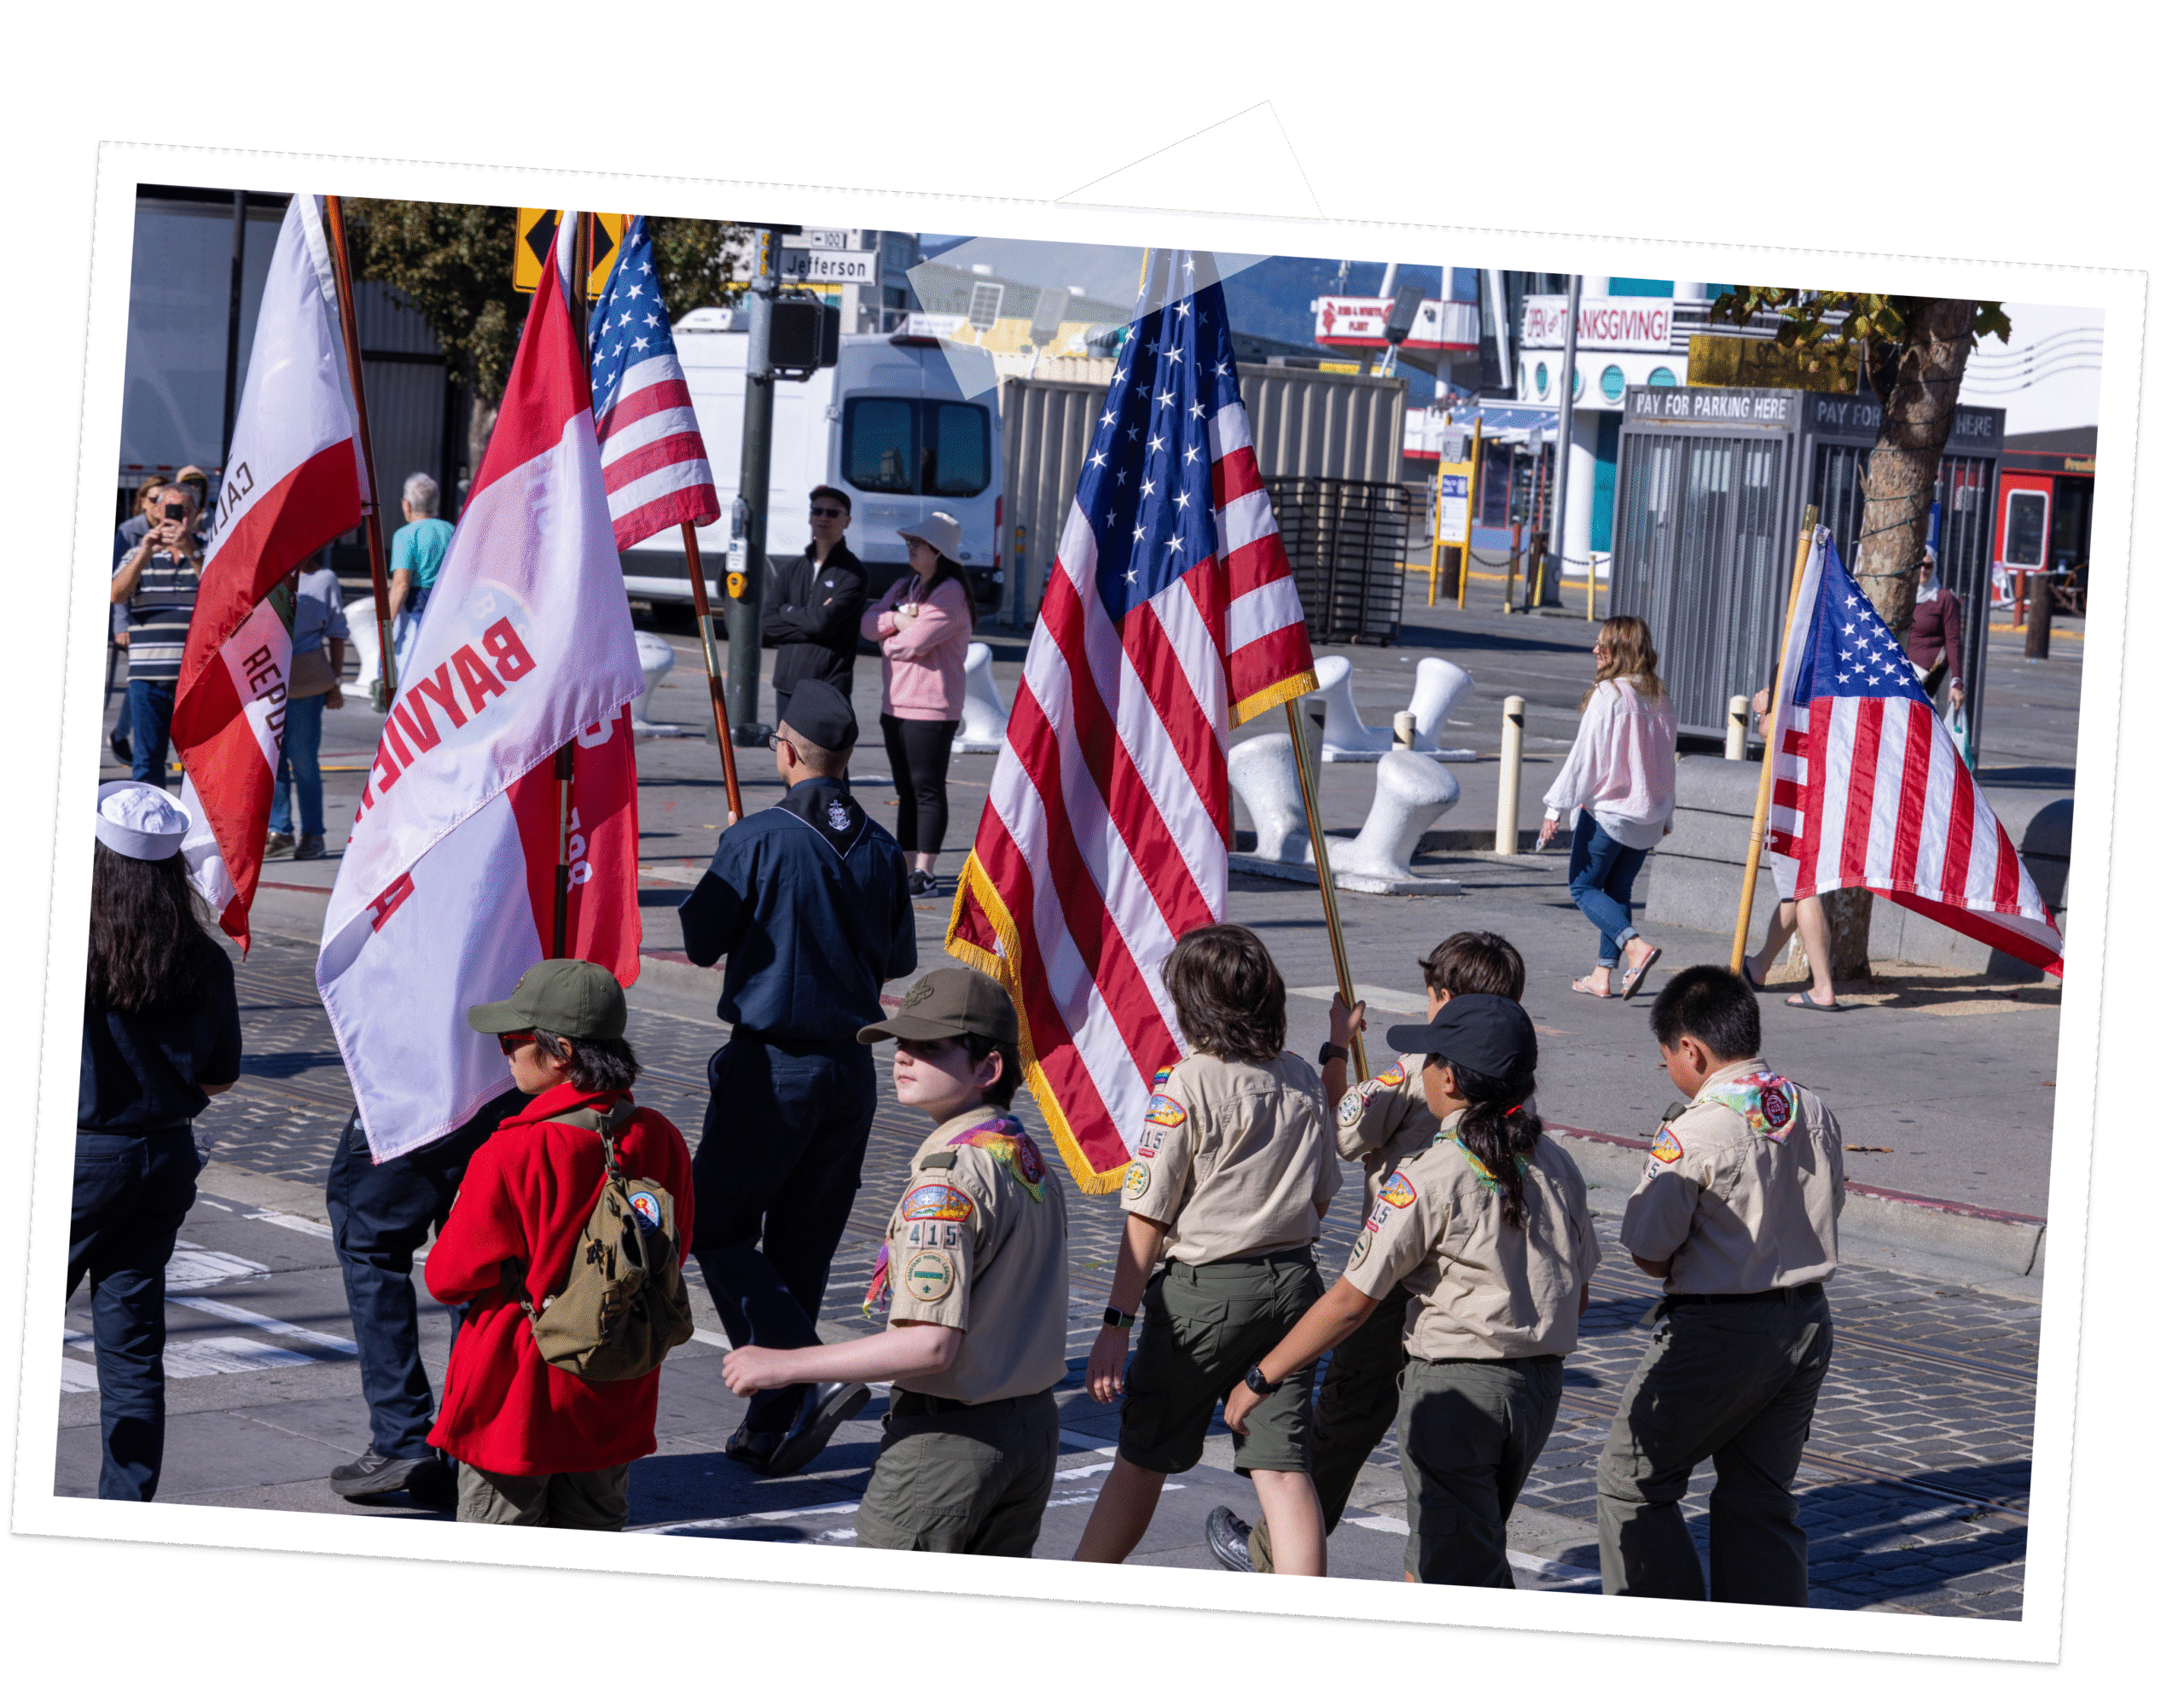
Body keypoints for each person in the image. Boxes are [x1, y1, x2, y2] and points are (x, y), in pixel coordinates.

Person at [1225, 993, 1597, 1585]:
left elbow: (1351, 1301)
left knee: (1449, 1572)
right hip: (1537, 1390)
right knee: (1469, 1549)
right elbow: (1577, 1293)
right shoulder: (1557, 1163)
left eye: (1426, 1059)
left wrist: (1260, 1377)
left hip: (1457, 1393)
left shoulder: (1430, 1173)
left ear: (1446, 1078)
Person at [720, 968, 1070, 1554]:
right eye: (902, 1043)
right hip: (1030, 1428)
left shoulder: (948, 1180)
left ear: (988, 1068)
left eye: (930, 1047)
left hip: (948, 1440)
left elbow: (930, 1345)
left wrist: (785, 1365)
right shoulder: (1023, 1155)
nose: (903, 1057)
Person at [677, 678, 919, 1477]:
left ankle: (808, 1372)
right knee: (801, 1250)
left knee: (712, 1224)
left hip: (770, 1065)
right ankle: (775, 1421)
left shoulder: (759, 838)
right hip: (850, 1069)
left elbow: (702, 938)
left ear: (785, 750)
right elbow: (898, 960)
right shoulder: (881, 845)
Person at [1076, 923, 1343, 1576]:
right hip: (1295, 1285)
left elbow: (1148, 1216)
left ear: (1193, 1006)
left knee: (1143, 1456)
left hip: (1207, 1294)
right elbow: (1322, 1196)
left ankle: (1076, 1585)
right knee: (1283, 1468)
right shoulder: (1301, 1077)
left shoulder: (1186, 1083)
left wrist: (1116, 1325)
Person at [1595, 964, 1845, 1605]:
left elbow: (1648, 1254)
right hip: (1807, 1320)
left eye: (1666, 1059)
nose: (1669, 1072)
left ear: (1691, 1050)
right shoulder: (1810, 1106)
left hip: (1719, 1330)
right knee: (1760, 1499)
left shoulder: (1696, 1131)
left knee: (1633, 1482)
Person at [422, 960, 694, 1531]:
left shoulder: (513, 1151)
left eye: (512, 1040)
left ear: (561, 1051)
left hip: (520, 1390)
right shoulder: (661, 1136)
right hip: (614, 1380)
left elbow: (449, 1278)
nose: (506, 1052)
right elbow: (676, 1248)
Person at [75, 782, 242, 1500]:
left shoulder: (78, 946)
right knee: (133, 1346)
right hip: (163, 1156)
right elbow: (219, 1076)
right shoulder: (202, 958)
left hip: (80, 1157)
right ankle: (126, 1503)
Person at [324, 1084, 530, 1508]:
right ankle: (465, 1449)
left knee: (372, 1252)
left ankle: (402, 1439)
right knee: (480, 1265)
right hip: (504, 1093)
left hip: (408, 1098)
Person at [1539, 613, 1677, 1002]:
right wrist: (1667, 813)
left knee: (1583, 887)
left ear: (1621, 651)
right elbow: (1666, 761)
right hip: (1647, 814)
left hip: (1608, 813)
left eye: (1604, 645)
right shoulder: (1659, 696)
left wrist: (1554, 807)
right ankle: (1603, 975)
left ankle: (1635, 948)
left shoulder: (1609, 695)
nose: (1595, 650)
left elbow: (1585, 759)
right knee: (1618, 890)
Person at [860, 512, 975, 897]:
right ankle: (907, 867)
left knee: (926, 788)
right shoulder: (902, 586)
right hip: (895, 704)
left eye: (918, 544)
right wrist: (896, 617)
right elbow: (867, 624)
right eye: (909, 542)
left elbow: (913, 643)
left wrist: (890, 636)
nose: (910, 548)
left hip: (932, 708)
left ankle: (925, 872)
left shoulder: (950, 593)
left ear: (938, 551)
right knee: (905, 789)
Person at [1740, 685, 1838, 1011]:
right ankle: (1759, 966)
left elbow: (1771, 731)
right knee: (1792, 890)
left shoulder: (1794, 659)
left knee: (1802, 889)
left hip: (1796, 791)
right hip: (1828, 785)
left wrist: (1764, 711)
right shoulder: (1831, 661)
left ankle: (1823, 986)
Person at [110, 476, 206, 789]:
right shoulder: (139, 552)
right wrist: (144, 553)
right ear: (159, 512)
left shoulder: (210, 550)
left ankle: (192, 837)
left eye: (184, 510)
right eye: (170, 510)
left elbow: (222, 594)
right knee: (147, 761)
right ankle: (154, 836)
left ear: (194, 514)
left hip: (196, 677)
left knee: (199, 765)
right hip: (147, 676)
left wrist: (191, 552)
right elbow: (116, 594)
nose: (177, 517)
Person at [266, 553, 348, 862]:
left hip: (306, 681)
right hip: (267, 681)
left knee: (302, 759)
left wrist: (336, 683)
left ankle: (314, 834)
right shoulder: (270, 577)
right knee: (272, 758)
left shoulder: (324, 579)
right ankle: (280, 829)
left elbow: (337, 634)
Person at [764, 483, 867, 721]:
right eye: (817, 511)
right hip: (786, 688)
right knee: (786, 758)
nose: (823, 517)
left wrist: (786, 610)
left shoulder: (853, 574)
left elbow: (820, 624)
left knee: (821, 759)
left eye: (832, 512)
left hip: (827, 689)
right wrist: (814, 622)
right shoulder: (792, 569)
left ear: (847, 522)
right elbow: (768, 624)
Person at [387, 473, 453, 683]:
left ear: (407, 505)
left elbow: (401, 584)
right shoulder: (453, 530)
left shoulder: (405, 535)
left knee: (410, 678)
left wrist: (385, 624)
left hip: (416, 610)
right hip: (448, 609)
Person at [1903, 547, 1966, 714]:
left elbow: (1953, 643)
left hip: (1928, 679)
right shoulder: (1904, 595)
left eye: (1929, 566)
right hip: (1900, 674)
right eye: (1919, 565)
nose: (1923, 570)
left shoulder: (1945, 599)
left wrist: (1957, 683)